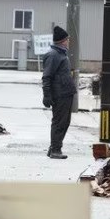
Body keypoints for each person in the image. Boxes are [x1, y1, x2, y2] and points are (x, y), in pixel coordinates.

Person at [42, 26, 77, 160]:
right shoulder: (53, 55)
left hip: (65, 92)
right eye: (67, 39)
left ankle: (54, 147)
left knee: (64, 122)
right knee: (59, 122)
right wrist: (47, 95)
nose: (68, 42)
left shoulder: (61, 54)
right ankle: (56, 149)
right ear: (63, 41)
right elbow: (47, 77)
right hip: (60, 94)